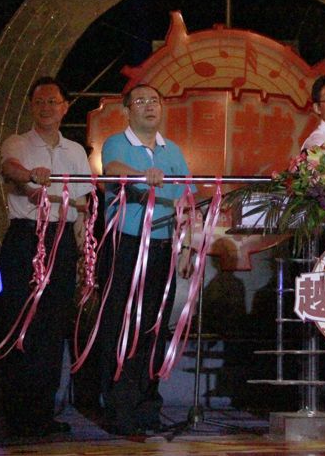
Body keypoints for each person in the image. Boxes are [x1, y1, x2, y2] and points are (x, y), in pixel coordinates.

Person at [0, 76, 92, 436]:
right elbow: (11, 169)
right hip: (26, 238)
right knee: (21, 321)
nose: (46, 107)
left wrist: (81, 247)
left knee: (53, 325)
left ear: (65, 107)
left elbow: (83, 201)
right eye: (39, 101)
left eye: (53, 101)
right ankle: (16, 414)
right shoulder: (18, 141)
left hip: (61, 239)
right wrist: (31, 178)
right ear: (30, 107)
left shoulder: (76, 151)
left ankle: (42, 413)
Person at [97, 84, 191, 435]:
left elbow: (186, 199)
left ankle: (147, 408)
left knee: (155, 326)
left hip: (164, 245)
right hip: (126, 244)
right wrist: (142, 176)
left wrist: (186, 247)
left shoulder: (172, 150)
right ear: (127, 110)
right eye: (140, 101)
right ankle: (119, 409)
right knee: (122, 326)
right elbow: (112, 169)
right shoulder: (116, 143)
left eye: (154, 101)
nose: (149, 106)